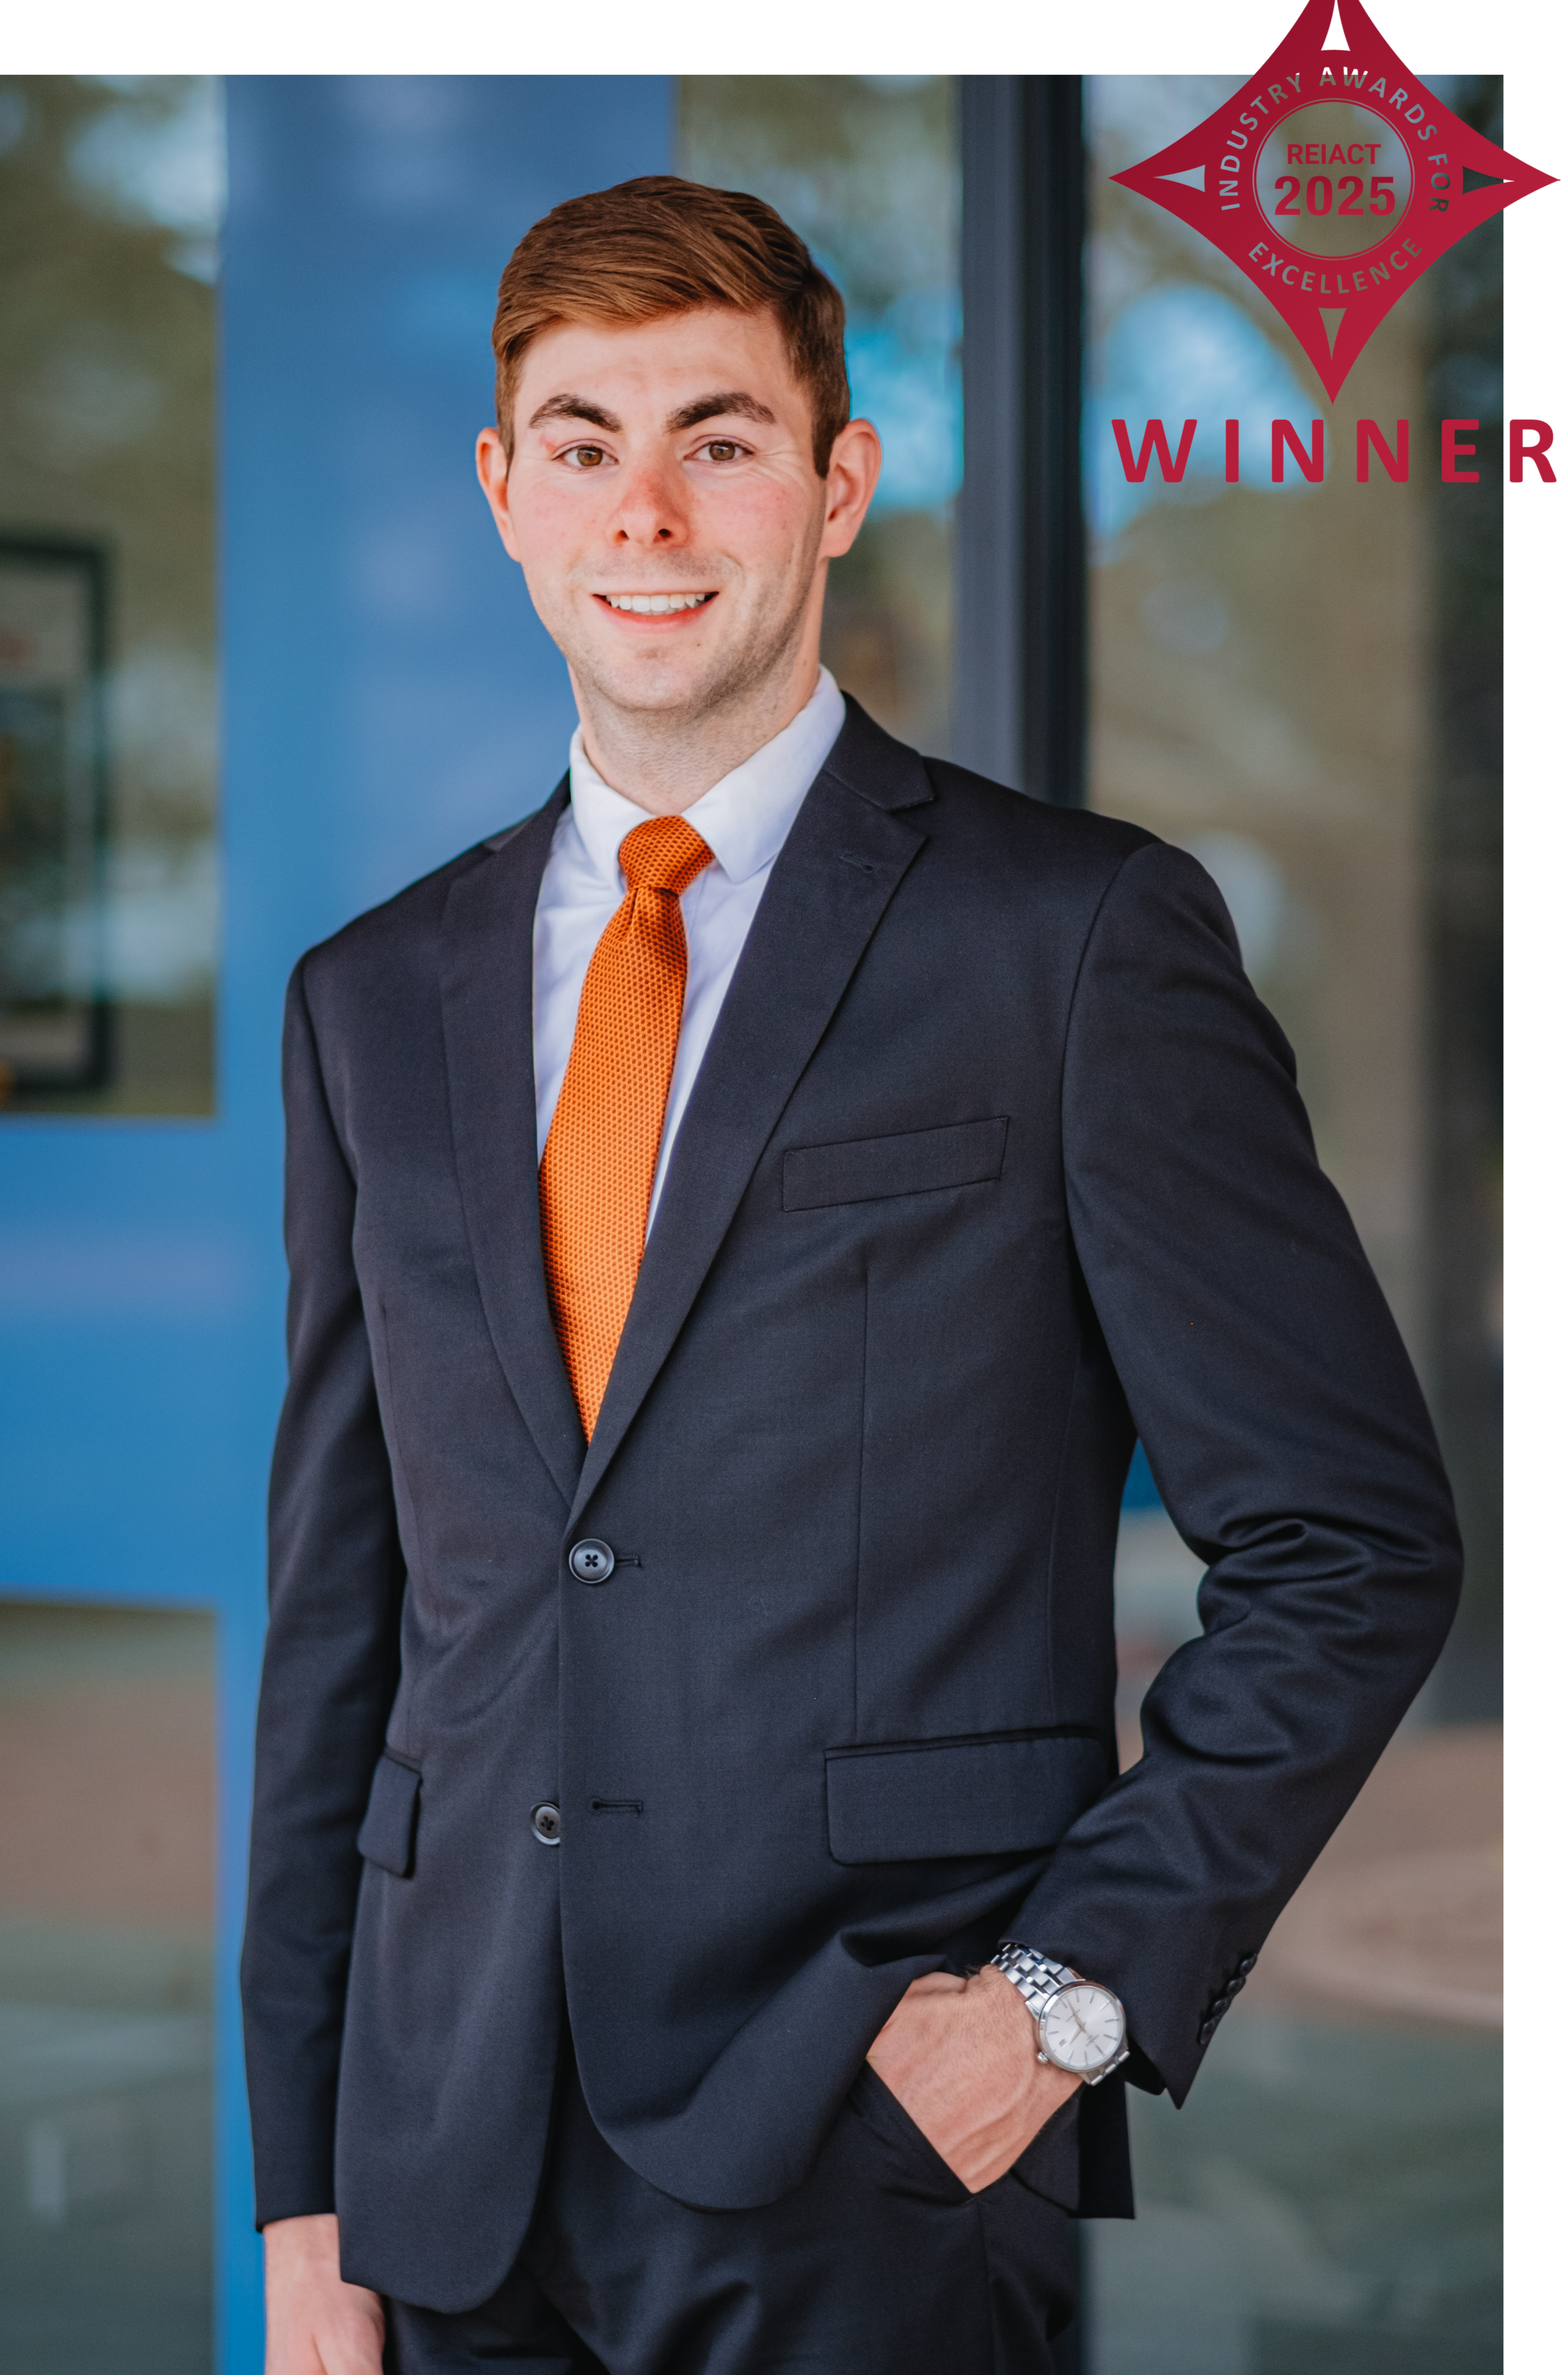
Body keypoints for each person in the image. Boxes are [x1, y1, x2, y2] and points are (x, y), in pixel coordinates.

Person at [243, 175, 1461, 2375]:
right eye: (585, 445)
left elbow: (1347, 1541)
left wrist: (1058, 2008)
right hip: (437, 2161)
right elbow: (351, 1623)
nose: (651, 511)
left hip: (867, 2140)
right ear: (507, 497)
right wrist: (300, 2183)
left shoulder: (1072, 942)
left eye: (717, 438)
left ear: (834, 483)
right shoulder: (367, 997)